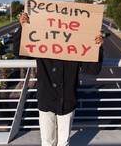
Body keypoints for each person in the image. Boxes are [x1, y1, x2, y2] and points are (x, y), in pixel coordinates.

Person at [13, 12, 104, 146]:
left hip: (67, 101)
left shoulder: (76, 50)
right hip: (46, 100)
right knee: (47, 142)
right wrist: (22, 27)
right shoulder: (41, 47)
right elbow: (18, 51)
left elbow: (94, 70)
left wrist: (99, 48)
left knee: (63, 143)